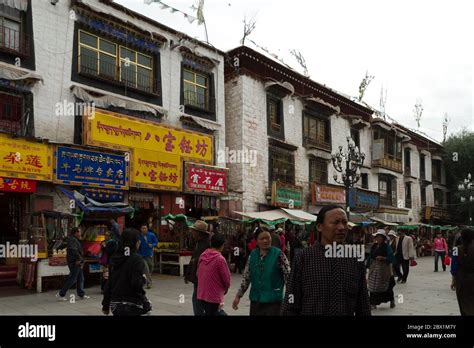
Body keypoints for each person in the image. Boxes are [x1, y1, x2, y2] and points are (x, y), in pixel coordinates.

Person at [281, 205, 371, 316]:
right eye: (335, 222)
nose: (342, 227)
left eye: (344, 222)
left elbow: (363, 305)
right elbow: (291, 301)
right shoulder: (304, 258)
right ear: (319, 226)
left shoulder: (355, 259)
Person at [232, 227, 290, 315]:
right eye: (262, 239)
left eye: (267, 238)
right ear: (257, 241)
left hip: (273, 301)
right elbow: (247, 277)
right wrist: (238, 296)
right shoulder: (253, 255)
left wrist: (290, 297)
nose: (265, 241)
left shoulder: (279, 255)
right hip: (256, 301)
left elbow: (288, 276)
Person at [102, 228, 151, 316]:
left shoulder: (115, 258)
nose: (139, 242)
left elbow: (109, 284)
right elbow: (136, 284)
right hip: (132, 304)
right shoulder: (136, 259)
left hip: (115, 305)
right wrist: (143, 279)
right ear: (135, 242)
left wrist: (105, 305)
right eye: (138, 240)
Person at [196, 233, 231, 316]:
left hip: (202, 294)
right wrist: (225, 289)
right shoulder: (220, 259)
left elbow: (198, 273)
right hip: (214, 296)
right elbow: (226, 279)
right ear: (222, 245)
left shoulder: (203, 255)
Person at [184, 220, 211, 316]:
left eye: (194, 231)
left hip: (201, 277)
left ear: (199, 233)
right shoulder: (198, 243)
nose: (192, 232)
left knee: (197, 300)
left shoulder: (206, 245)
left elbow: (199, 261)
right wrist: (188, 274)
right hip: (198, 277)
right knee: (198, 300)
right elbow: (193, 259)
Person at [56, 227, 90, 300]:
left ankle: (81, 294)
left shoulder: (73, 239)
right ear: (76, 233)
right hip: (75, 262)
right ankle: (61, 294)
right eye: (79, 232)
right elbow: (73, 250)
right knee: (73, 279)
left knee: (81, 278)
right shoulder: (72, 240)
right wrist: (79, 259)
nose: (80, 233)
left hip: (77, 261)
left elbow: (63, 247)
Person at [367, 230, 396, 310]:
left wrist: (383, 258)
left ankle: (391, 300)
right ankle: (372, 303)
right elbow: (370, 256)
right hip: (374, 268)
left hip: (384, 269)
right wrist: (367, 266)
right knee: (372, 286)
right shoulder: (374, 246)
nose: (378, 238)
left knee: (386, 286)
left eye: (380, 237)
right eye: (377, 237)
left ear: (383, 238)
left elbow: (392, 258)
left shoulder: (387, 246)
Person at [450, 228, 474, 315]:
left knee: (462, 302)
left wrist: (453, 281)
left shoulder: (456, 249)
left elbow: (454, 267)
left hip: (461, 279)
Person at [138, 223, 158, 289]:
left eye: (145, 228)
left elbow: (156, 242)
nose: (144, 229)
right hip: (141, 255)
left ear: (147, 229)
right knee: (146, 268)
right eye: (143, 228)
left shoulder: (151, 235)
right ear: (140, 229)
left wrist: (152, 245)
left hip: (149, 254)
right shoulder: (139, 236)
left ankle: (147, 277)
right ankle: (149, 283)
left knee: (151, 266)